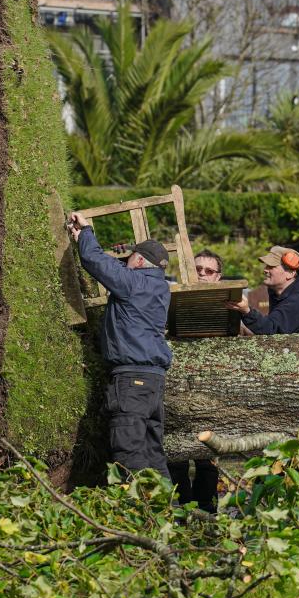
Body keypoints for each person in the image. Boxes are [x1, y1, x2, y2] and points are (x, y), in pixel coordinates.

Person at [69, 212, 173, 480]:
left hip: (132, 380)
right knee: (153, 452)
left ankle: (137, 513)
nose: (124, 263)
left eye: (128, 259)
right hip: (153, 381)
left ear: (139, 260)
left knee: (128, 450)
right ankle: (168, 514)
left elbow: (95, 261)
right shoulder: (161, 288)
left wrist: (86, 231)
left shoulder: (135, 283)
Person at [166, 248, 225, 511]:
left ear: (218, 277)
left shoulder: (225, 305)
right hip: (177, 389)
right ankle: (182, 516)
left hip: (211, 392)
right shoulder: (170, 299)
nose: (202, 274)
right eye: (197, 269)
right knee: (176, 458)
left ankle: (207, 516)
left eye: (208, 271)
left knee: (207, 460)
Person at [227, 246, 299, 334]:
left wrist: (247, 311)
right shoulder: (279, 294)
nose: (265, 270)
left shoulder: (298, 302)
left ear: (290, 273)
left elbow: (272, 328)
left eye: (271, 266)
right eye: (266, 266)